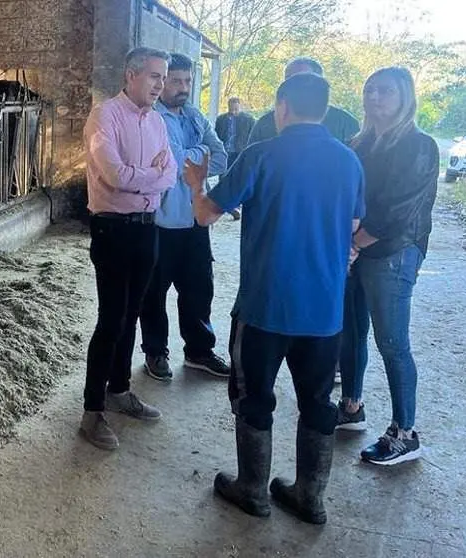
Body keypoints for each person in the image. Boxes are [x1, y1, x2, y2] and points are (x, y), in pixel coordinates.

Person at [190, 73, 365, 524]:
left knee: (253, 397)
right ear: (324, 109)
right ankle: (310, 496)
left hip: (265, 306)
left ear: (281, 107)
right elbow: (351, 228)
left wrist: (194, 182)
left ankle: (252, 489)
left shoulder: (261, 154)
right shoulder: (348, 161)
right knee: (319, 400)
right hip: (325, 311)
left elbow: (206, 214)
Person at [335, 67, 440, 466]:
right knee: (351, 332)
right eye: (370, 89)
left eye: (386, 91)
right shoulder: (359, 143)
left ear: (405, 98)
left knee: (391, 341)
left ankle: (405, 432)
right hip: (356, 250)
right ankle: (351, 407)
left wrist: (355, 246)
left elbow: (398, 209)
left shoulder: (419, 146)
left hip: (393, 252)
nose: (374, 97)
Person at [80, 47, 178, 450]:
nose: (162, 85)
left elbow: (170, 172)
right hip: (113, 230)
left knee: (133, 314)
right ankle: (91, 412)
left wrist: (151, 176)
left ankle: (119, 391)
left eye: (164, 77)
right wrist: (150, 176)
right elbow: (114, 175)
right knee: (111, 320)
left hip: (146, 229)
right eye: (155, 76)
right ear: (131, 74)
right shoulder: (105, 116)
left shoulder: (156, 122)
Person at [139, 52, 231, 381]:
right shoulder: (153, 119)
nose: (182, 87)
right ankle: (155, 351)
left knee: (199, 287)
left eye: (188, 81)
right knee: (154, 291)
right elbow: (174, 166)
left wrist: (191, 160)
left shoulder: (194, 115)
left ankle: (198, 351)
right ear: (162, 83)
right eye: (175, 80)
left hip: (196, 216)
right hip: (162, 220)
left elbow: (221, 157)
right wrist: (196, 158)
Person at [247, 57, 360, 146]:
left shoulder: (346, 123)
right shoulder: (265, 124)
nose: (294, 85)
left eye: (302, 80)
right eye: (289, 79)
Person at [215, 97, 255, 168]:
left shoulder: (249, 120)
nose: (233, 112)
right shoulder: (220, 119)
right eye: (231, 109)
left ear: (240, 107)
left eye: (236, 109)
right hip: (224, 152)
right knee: (223, 174)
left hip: (240, 152)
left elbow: (253, 137)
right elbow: (216, 135)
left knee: (238, 174)